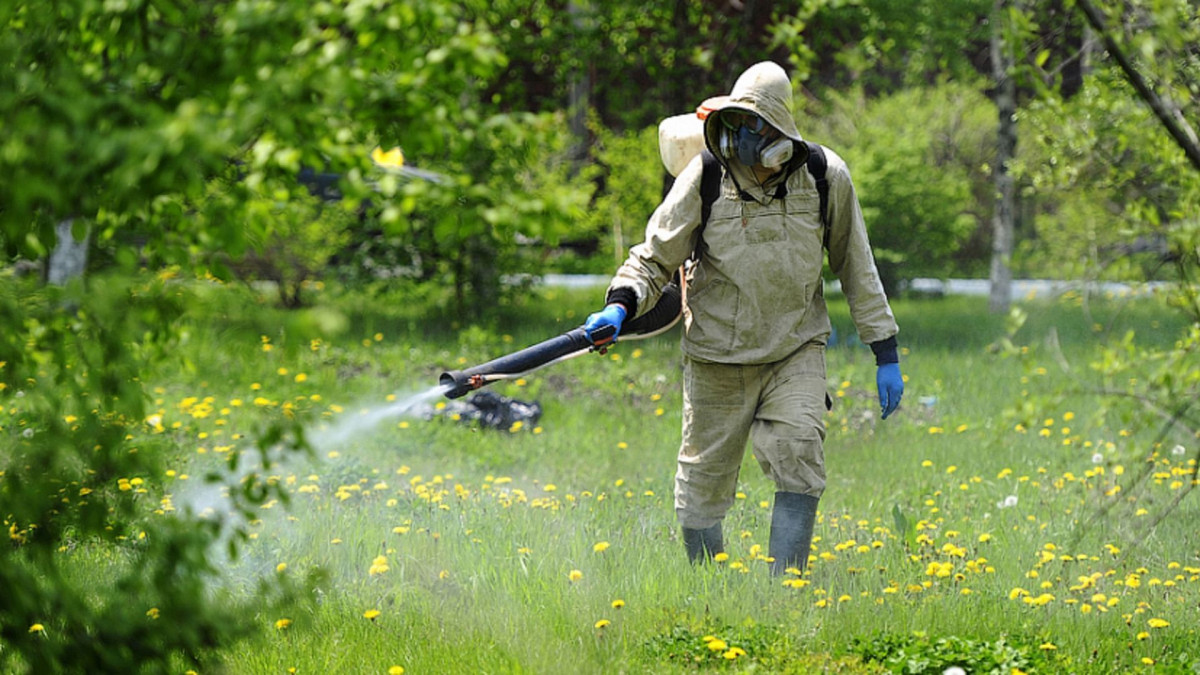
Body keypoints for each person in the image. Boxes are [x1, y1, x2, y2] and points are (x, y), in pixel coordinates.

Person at [583, 61, 903, 575]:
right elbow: (654, 255)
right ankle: (710, 586)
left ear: (779, 129)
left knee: (799, 451)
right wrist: (619, 305)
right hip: (717, 355)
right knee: (701, 488)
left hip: (795, 347)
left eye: (756, 125)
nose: (744, 137)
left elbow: (855, 264)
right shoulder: (706, 174)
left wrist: (883, 349)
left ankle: (786, 586)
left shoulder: (824, 175)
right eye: (737, 123)